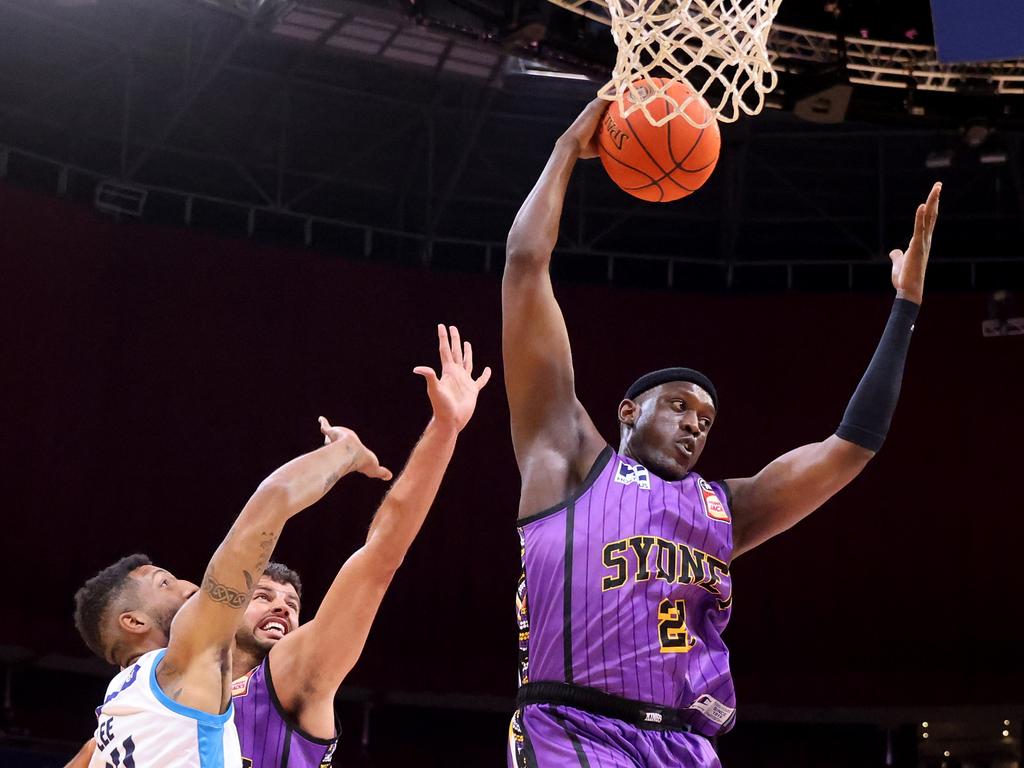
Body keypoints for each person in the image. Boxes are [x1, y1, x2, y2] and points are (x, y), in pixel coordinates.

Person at [502, 98, 940, 768]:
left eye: (706, 420)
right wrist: (565, 150)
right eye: (679, 406)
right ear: (628, 411)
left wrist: (905, 306)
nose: (693, 426)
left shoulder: (722, 509)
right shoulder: (566, 458)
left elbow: (851, 447)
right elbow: (526, 267)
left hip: (686, 744)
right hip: (574, 729)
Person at [68, 324, 490, 768]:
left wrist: (445, 431)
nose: (283, 608)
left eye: (292, 602)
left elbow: (380, 556)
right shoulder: (136, 699)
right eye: (263, 595)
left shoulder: (295, 668)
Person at [72, 418, 390, 768]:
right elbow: (270, 503)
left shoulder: (112, 717)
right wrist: (345, 452)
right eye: (165, 582)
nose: (189, 586)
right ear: (133, 621)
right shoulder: (184, 658)